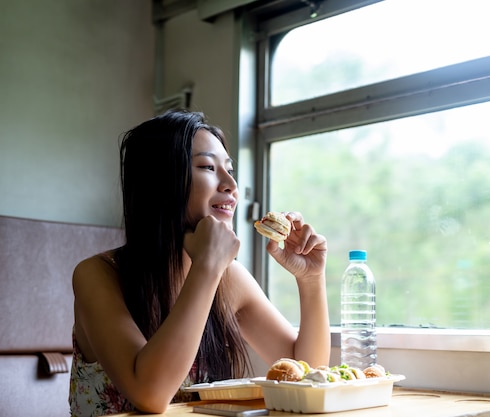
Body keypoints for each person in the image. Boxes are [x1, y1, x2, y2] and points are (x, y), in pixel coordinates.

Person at [69, 110, 330, 417]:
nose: (231, 184)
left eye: (229, 169)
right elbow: (150, 395)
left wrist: (311, 279)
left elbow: (308, 374)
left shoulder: (228, 278)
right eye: (208, 166)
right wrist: (207, 266)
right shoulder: (97, 275)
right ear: (161, 180)